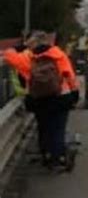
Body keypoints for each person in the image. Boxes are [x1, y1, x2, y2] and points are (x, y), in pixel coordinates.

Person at [4, 31, 79, 169]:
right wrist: (75, 93)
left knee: (44, 127)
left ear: (31, 44)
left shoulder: (27, 58)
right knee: (58, 128)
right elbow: (69, 75)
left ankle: (46, 155)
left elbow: (8, 56)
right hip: (61, 96)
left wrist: (21, 47)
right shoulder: (58, 54)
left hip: (39, 99)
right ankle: (58, 158)